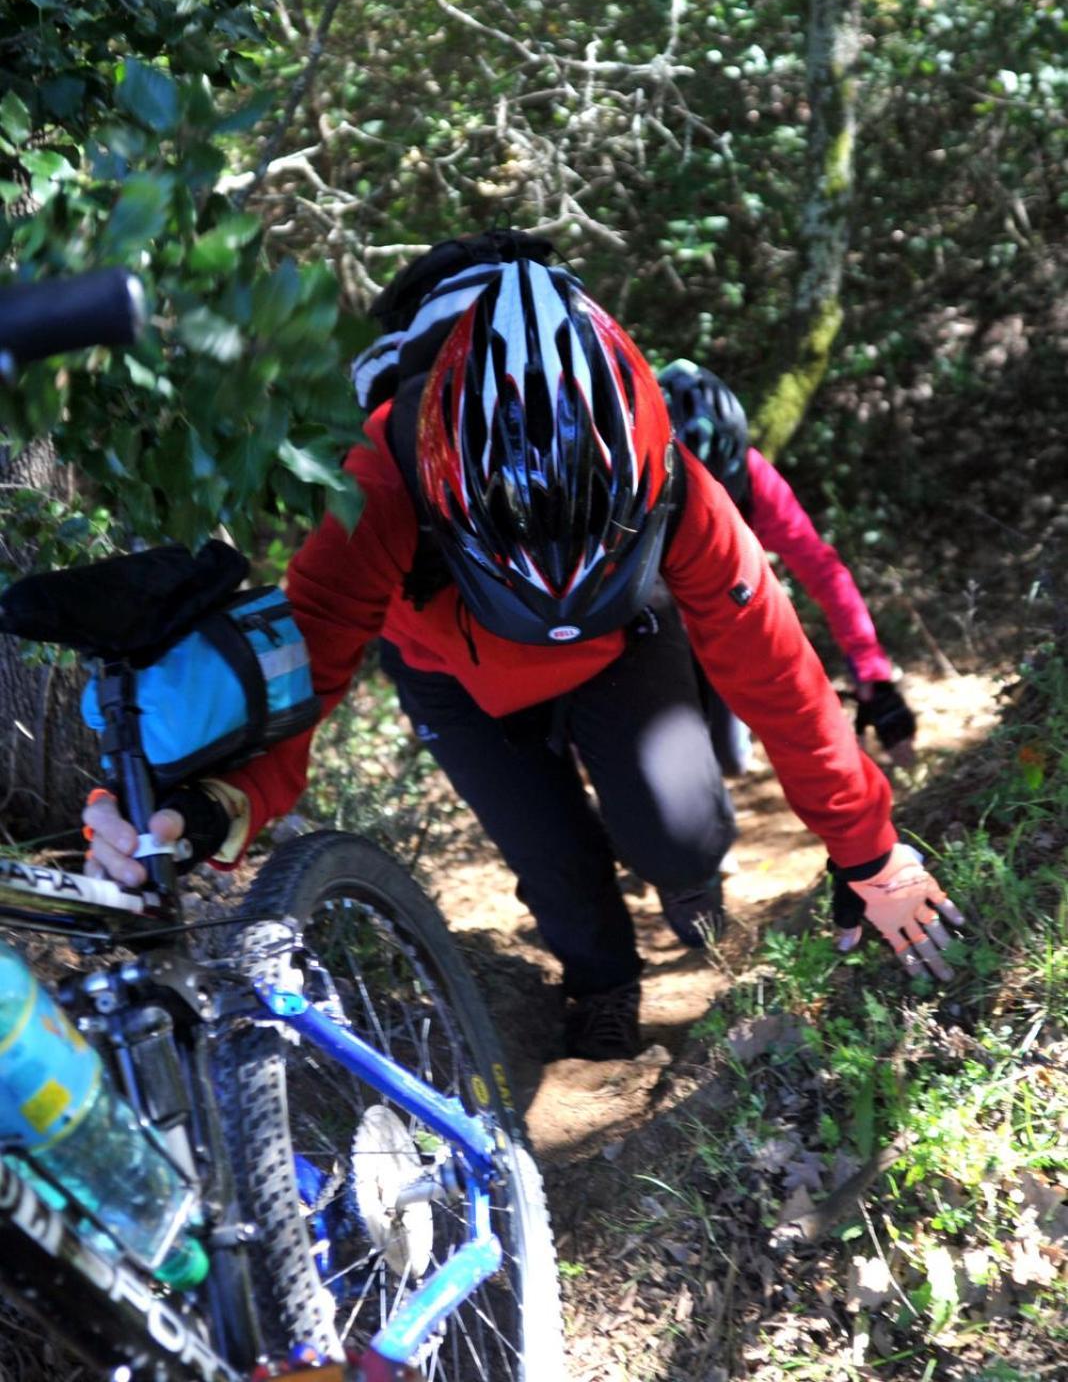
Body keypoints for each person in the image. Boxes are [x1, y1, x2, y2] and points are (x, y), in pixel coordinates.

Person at [83, 230, 963, 1061]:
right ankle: (603, 983)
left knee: (679, 837)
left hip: (627, 644)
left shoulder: (679, 484)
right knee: (554, 863)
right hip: (449, 674)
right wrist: (205, 806)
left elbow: (777, 675)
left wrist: (870, 854)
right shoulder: (385, 471)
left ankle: (683, 877)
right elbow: (299, 675)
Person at [658, 359, 917, 776]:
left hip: (724, 619)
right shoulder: (633, 489)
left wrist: (872, 675)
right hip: (659, 624)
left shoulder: (756, 479)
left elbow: (821, 570)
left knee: (731, 759)